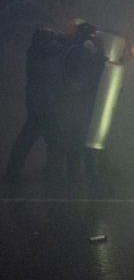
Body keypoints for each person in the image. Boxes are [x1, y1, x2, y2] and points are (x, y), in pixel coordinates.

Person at [4, 26, 67, 183]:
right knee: (54, 142)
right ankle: (52, 175)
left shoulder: (37, 51)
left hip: (40, 104)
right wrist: (63, 43)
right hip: (44, 105)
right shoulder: (42, 52)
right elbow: (51, 67)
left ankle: (13, 172)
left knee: (29, 139)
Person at [61, 18, 106, 185]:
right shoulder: (74, 50)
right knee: (78, 137)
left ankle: (83, 174)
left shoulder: (79, 49)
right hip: (77, 102)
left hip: (83, 101)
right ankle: (82, 175)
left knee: (82, 137)